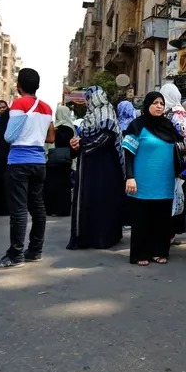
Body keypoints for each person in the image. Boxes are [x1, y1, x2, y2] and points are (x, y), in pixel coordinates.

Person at [0, 69, 55, 269]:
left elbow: (9, 136)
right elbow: (51, 137)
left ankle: (15, 255)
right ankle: (35, 250)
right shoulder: (47, 107)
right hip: (39, 161)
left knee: (19, 210)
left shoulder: (19, 103)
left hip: (19, 161)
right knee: (38, 207)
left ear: (19, 86)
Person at [123, 92, 185, 266]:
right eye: (155, 103)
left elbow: (180, 146)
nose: (159, 106)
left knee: (162, 220)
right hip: (143, 182)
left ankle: (159, 251)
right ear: (147, 105)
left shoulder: (168, 126)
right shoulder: (137, 125)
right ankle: (140, 254)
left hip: (165, 182)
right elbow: (128, 153)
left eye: (161, 103)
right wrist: (130, 177)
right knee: (142, 220)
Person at [66, 86, 125, 250]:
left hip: (105, 167)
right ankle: (86, 237)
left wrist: (83, 144)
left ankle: (103, 238)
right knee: (87, 199)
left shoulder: (107, 112)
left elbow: (107, 138)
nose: (88, 101)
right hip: (88, 166)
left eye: (89, 98)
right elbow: (83, 138)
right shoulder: (89, 117)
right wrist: (75, 143)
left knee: (103, 200)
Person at [160, 83, 186, 238]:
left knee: (173, 195)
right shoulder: (170, 112)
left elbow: (183, 139)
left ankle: (169, 232)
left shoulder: (176, 113)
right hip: (174, 161)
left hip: (175, 162)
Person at [43, 105, 76, 217]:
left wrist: (55, 132)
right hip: (65, 160)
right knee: (63, 185)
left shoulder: (63, 127)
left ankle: (53, 209)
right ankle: (61, 209)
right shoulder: (70, 127)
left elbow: (59, 140)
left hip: (54, 159)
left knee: (53, 184)